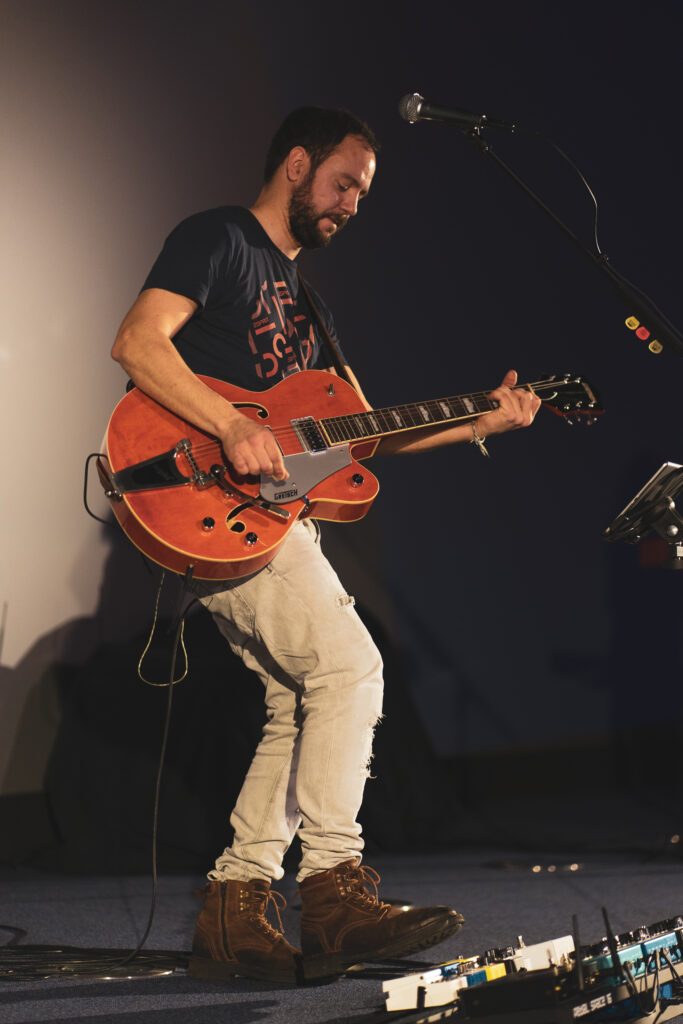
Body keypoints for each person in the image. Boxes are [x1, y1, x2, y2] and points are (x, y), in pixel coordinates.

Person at [111, 107, 541, 984]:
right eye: (344, 183)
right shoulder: (220, 238)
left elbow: (364, 433)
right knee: (351, 670)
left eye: (363, 194)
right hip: (206, 495)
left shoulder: (311, 305)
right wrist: (232, 424)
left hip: (266, 517)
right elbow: (137, 344)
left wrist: (479, 423)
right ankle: (336, 891)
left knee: (293, 699)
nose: (351, 203)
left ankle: (235, 908)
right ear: (296, 165)